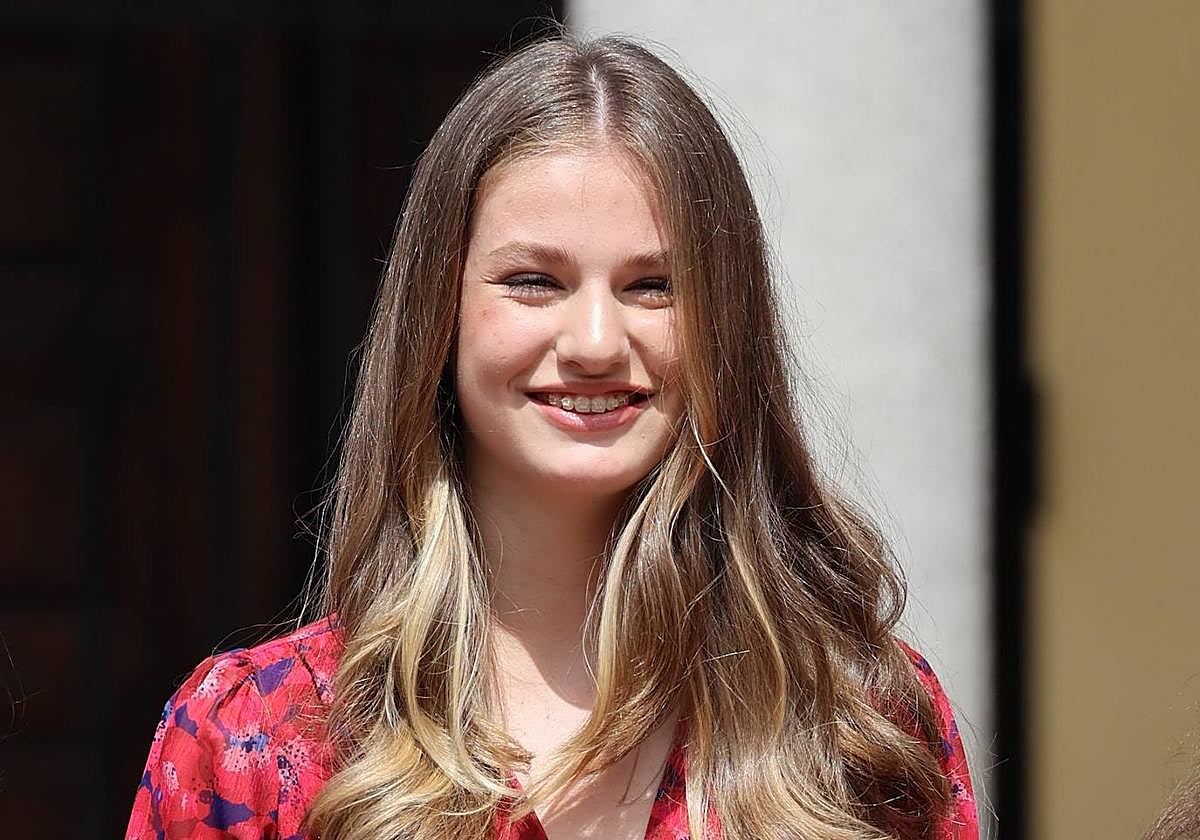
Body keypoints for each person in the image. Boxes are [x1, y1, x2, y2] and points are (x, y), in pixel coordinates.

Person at [125, 33, 978, 840]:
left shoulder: (864, 730)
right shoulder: (250, 741)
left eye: (655, 285)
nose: (596, 342)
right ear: (439, 313)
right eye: (534, 281)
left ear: (728, 324)